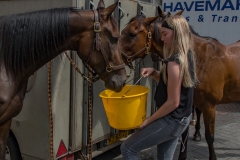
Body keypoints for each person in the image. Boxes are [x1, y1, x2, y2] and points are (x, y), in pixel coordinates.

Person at [120, 15, 198, 160]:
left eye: (164, 34)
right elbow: (174, 83)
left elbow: (173, 102)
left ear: (177, 34)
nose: (161, 39)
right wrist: (155, 73)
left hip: (171, 121)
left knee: (127, 148)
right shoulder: (187, 55)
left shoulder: (174, 63)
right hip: (182, 119)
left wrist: (148, 121)